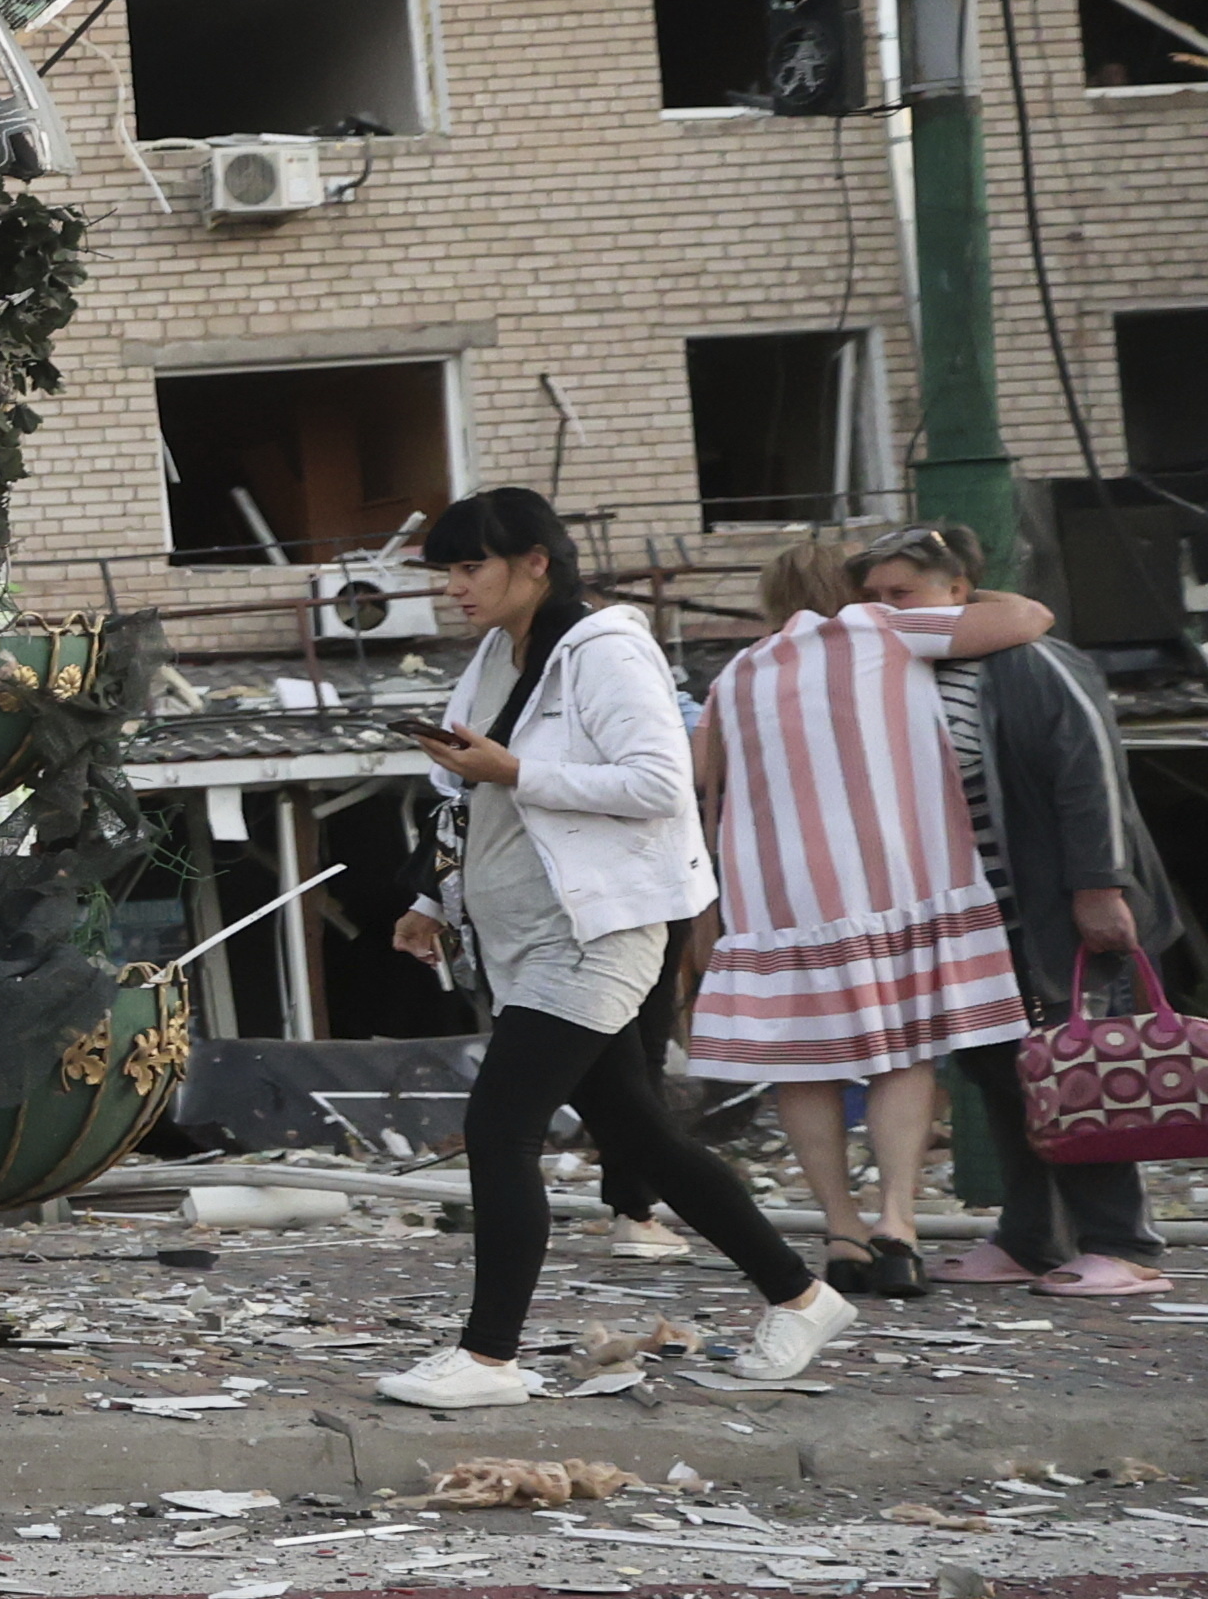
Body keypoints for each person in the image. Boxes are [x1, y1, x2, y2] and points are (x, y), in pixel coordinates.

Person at [375, 490, 852, 1403]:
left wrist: (513, 768)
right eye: (447, 571)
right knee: (638, 1132)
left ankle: (488, 1360)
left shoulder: (604, 649)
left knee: (499, 1128)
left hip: (601, 928)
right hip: (522, 934)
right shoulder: (491, 656)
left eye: (472, 566)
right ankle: (800, 1294)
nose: (455, 588)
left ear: (535, 563)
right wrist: (431, 896)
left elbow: (657, 783)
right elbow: (460, 792)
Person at [686, 528, 1052, 1292]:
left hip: (779, 895)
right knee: (907, 1049)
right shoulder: (886, 629)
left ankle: (841, 1230)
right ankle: (897, 1220)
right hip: (898, 876)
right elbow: (1028, 616)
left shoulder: (737, 675)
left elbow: (696, 777)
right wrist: (954, 591)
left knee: (802, 1064)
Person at [858, 522, 1181, 1294]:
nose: (885, 611)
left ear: (958, 593)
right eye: (872, 597)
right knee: (1002, 1074)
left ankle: (1123, 1241)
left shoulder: (1031, 663)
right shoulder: (906, 673)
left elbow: (1090, 771)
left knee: (1079, 1068)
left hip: (1050, 908)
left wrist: (1098, 885)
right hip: (970, 922)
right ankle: (1032, 1236)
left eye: (901, 594)